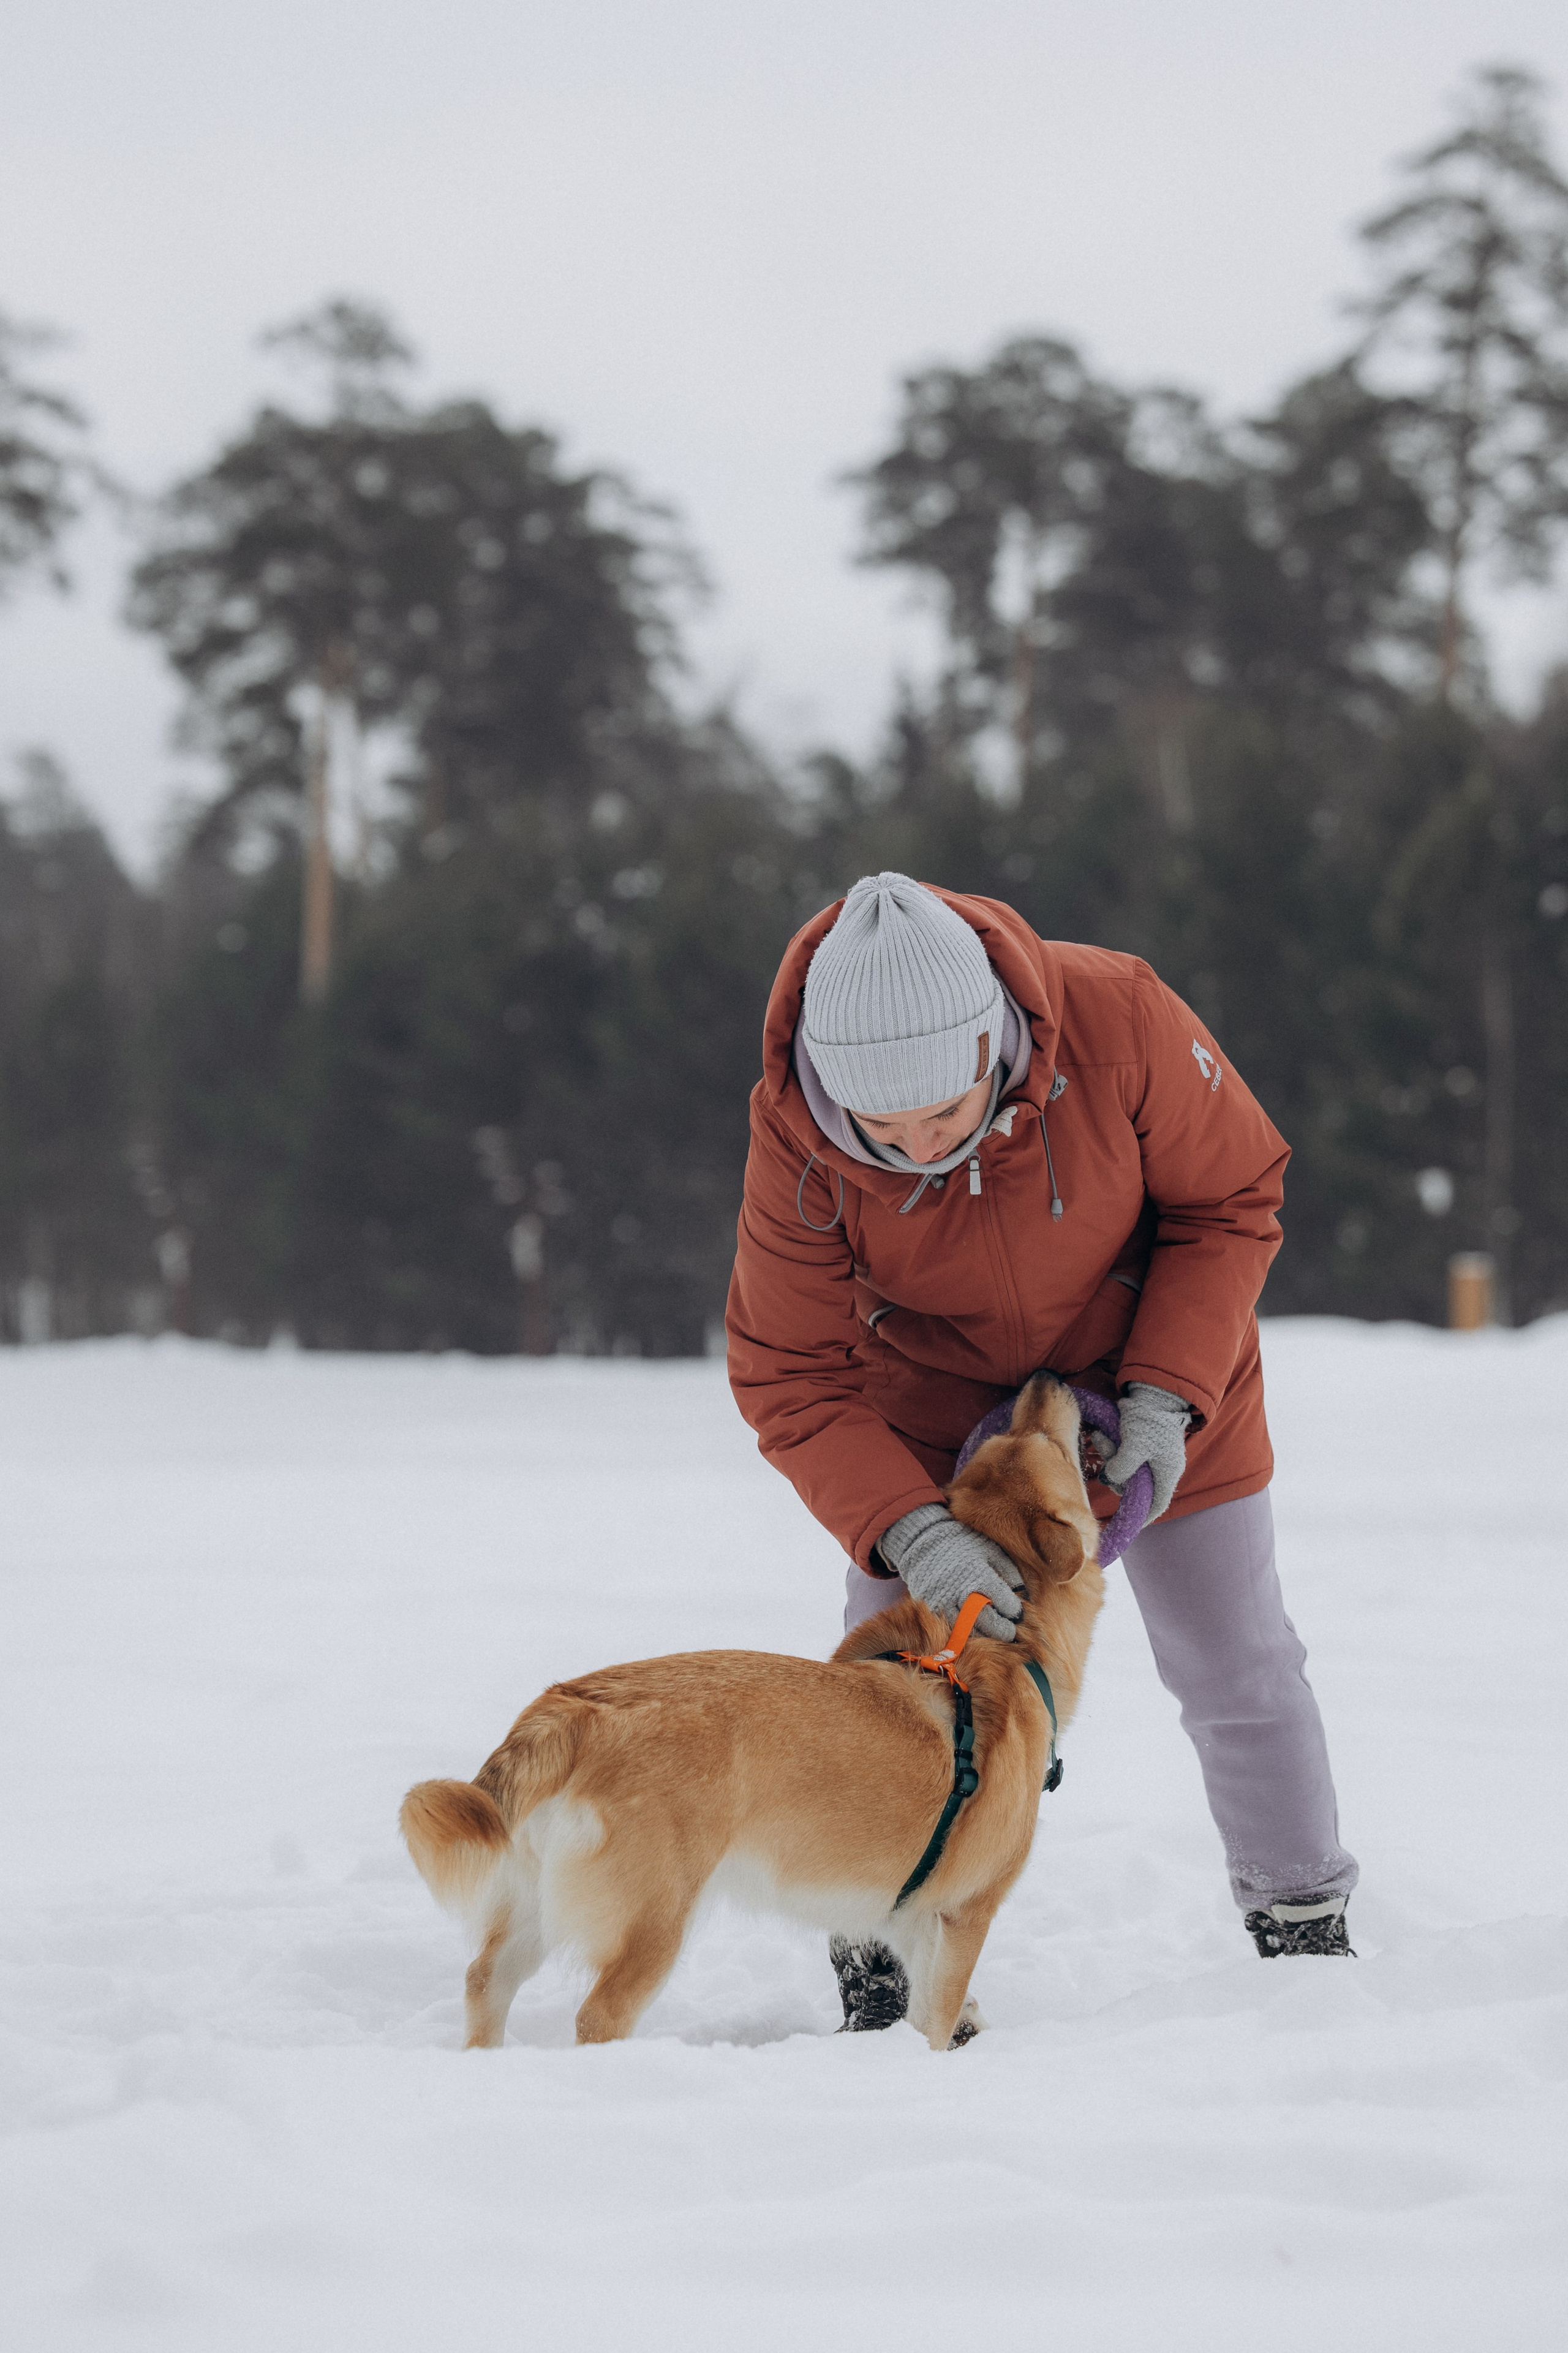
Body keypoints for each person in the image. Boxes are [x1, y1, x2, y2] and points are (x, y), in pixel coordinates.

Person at [726, 872, 1357, 2032]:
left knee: (1235, 1657)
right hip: (934, 1417)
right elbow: (788, 1369)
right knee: (891, 1683)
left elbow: (1231, 1196)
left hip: (1157, 1369)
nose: (918, 1148)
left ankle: (1305, 1923)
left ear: (994, 1046)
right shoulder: (798, 1130)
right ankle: (879, 1948)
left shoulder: (1119, 1018)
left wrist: (1169, 1394)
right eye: (883, 1133)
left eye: (943, 1115)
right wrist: (910, 1531)